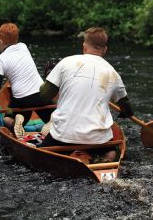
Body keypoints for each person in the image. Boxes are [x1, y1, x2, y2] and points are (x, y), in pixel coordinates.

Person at [38, 27, 134, 162]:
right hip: (97, 140)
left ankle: (68, 157)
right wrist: (126, 112)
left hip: (64, 135)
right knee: (111, 152)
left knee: (41, 152)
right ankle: (105, 159)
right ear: (105, 50)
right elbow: (127, 108)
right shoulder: (113, 73)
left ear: (84, 46)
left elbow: (44, 95)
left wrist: (50, 81)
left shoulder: (66, 62)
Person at [0, 23, 54, 134]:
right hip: (42, 97)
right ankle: (53, 122)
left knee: (7, 118)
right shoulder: (23, 47)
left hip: (21, 101)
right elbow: (1, 59)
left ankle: (15, 123)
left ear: (0, 41)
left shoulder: (1, 60)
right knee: (52, 111)